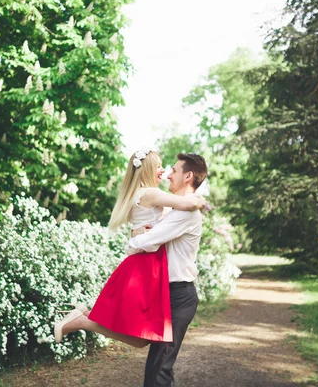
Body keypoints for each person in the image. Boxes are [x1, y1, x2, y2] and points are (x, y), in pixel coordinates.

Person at [53, 149, 206, 349]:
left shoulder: (142, 193)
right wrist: (201, 200)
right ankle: (82, 321)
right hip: (146, 264)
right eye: (159, 166)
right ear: (149, 168)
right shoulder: (150, 192)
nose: (164, 171)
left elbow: (164, 220)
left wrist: (152, 230)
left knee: (142, 338)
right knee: (140, 332)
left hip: (147, 264)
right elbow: (184, 203)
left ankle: (83, 319)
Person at [127, 153, 208, 387]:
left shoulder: (184, 212)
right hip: (169, 294)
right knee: (157, 368)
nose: (168, 175)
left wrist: (135, 238)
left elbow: (144, 243)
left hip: (178, 296)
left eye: (173, 170)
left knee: (159, 368)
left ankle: (81, 321)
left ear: (188, 176)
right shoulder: (175, 210)